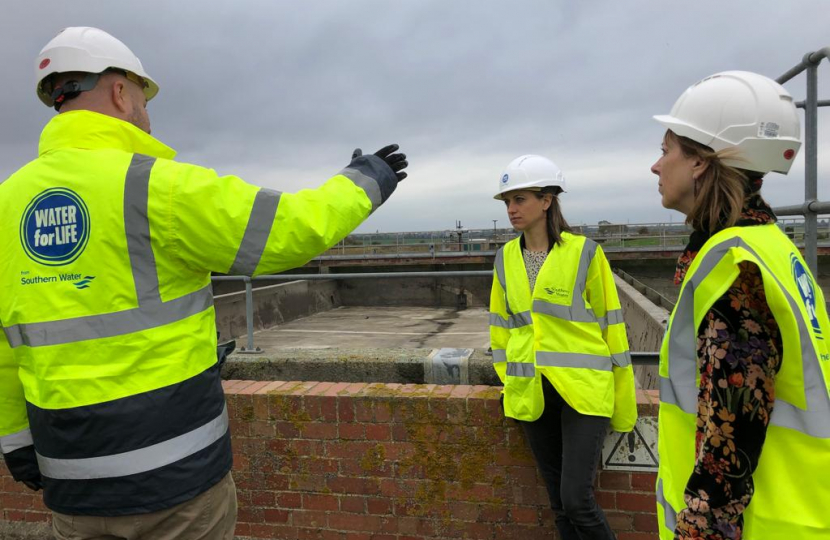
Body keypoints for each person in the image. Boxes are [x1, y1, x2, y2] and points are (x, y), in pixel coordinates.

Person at [0, 26, 408, 540]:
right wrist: (364, 181)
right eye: (144, 98)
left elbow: (6, 348)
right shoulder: (157, 186)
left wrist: (16, 443)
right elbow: (287, 229)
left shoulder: (6, 204)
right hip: (178, 489)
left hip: (72, 488)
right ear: (121, 92)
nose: (147, 115)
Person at [651, 71, 830, 539]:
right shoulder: (771, 247)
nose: (656, 166)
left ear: (699, 162)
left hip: (761, 526)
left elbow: (725, 455)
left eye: (666, 149)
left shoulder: (735, 271)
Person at [489, 155, 637, 539]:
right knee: (558, 505)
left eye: (519, 199)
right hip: (532, 391)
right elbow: (500, 327)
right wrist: (510, 378)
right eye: (507, 201)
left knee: (576, 500)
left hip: (582, 390)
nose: (511, 209)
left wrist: (623, 395)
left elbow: (613, 327)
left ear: (547, 200)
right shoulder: (505, 259)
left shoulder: (585, 252)